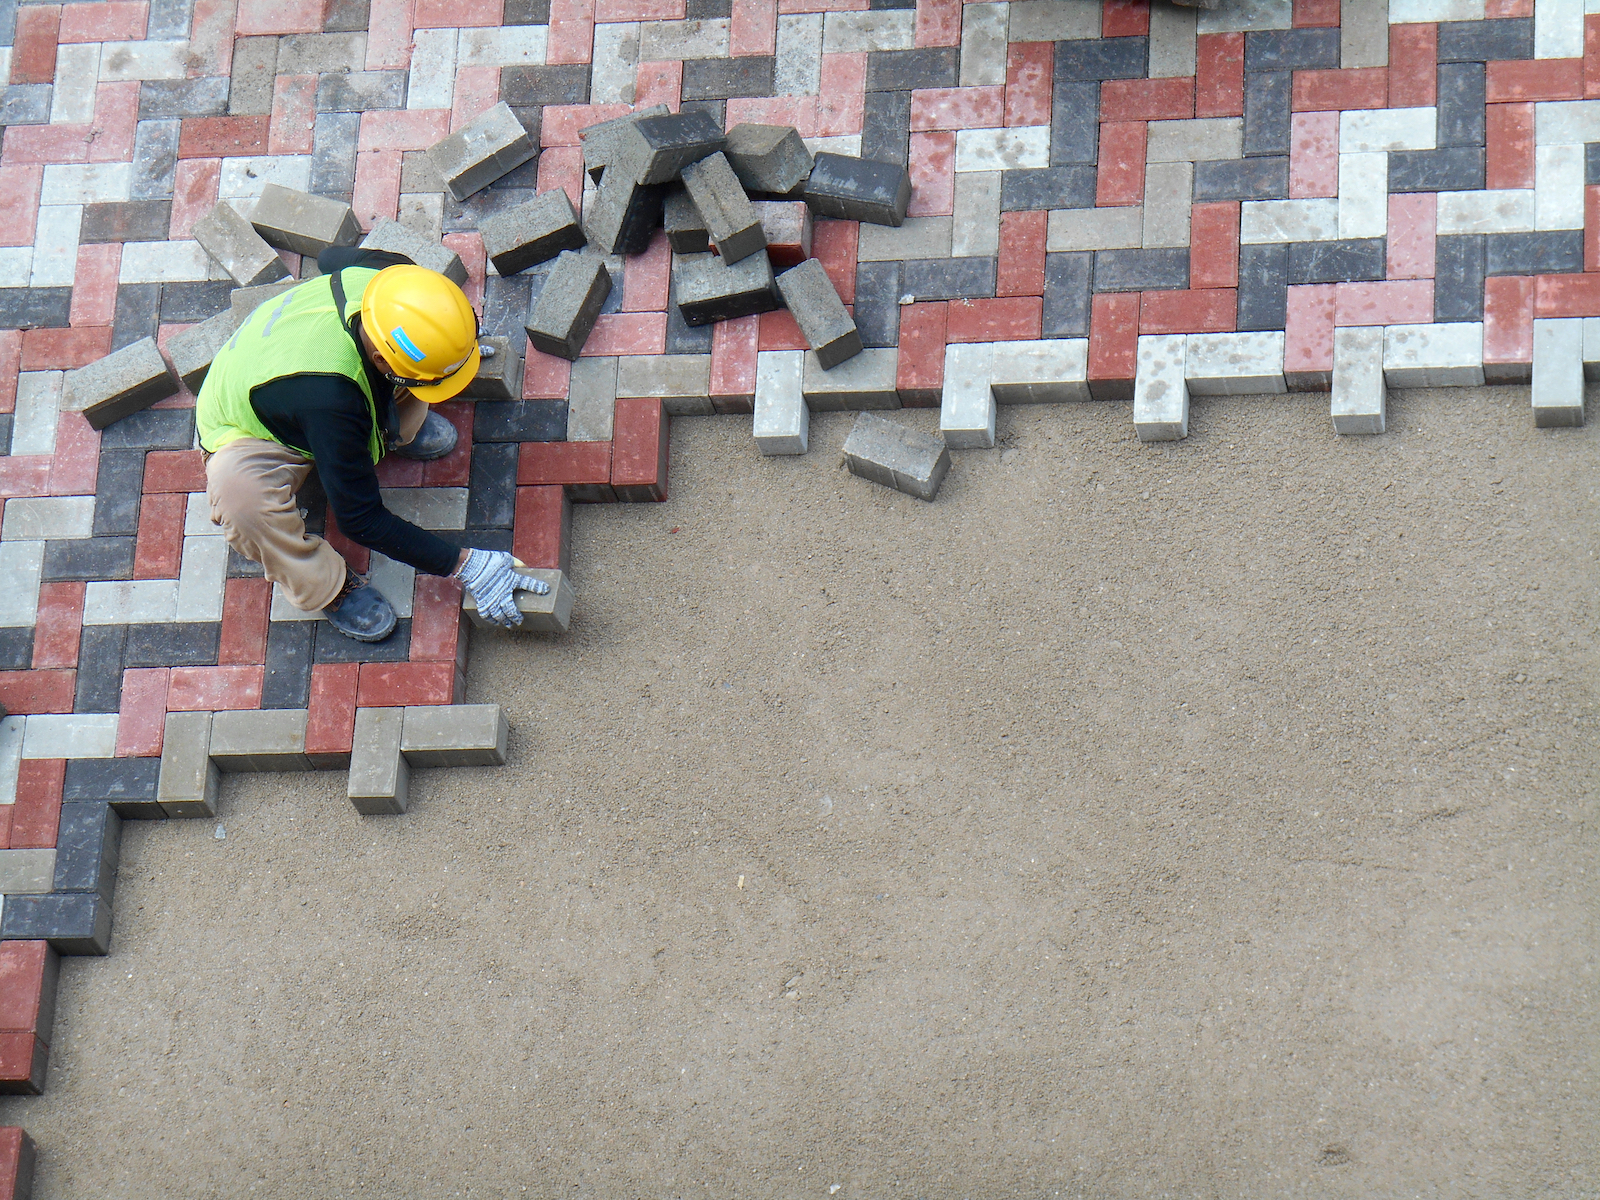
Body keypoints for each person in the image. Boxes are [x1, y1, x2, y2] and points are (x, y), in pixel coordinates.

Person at [197, 247, 546, 640]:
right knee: (243, 506)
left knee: (411, 381)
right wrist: (464, 565)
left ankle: (386, 426)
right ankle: (329, 588)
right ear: (381, 357)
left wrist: (452, 350)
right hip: (252, 424)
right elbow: (360, 519)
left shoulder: (397, 283)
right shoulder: (328, 398)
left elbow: (329, 257)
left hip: (304, 365)